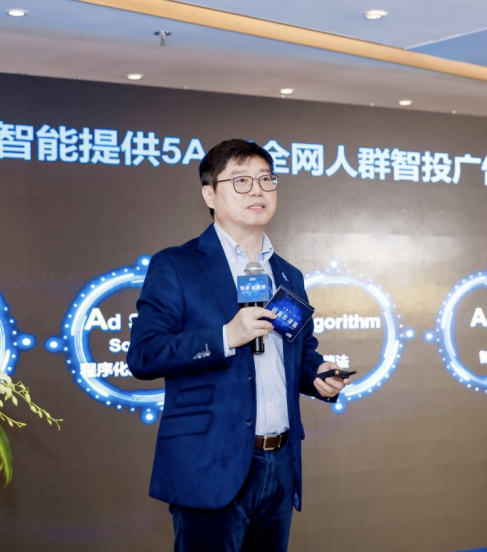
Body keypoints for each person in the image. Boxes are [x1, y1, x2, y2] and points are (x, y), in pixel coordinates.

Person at [128, 138, 350, 551]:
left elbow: (299, 353)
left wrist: (318, 374)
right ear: (210, 195)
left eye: (266, 179)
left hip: (279, 463)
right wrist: (226, 336)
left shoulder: (288, 274)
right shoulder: (176, 265)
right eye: (242, 181)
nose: (258, 190)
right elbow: (144, 354)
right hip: (209, 464)